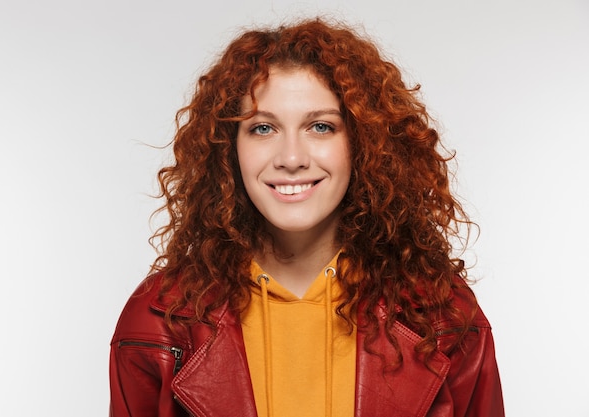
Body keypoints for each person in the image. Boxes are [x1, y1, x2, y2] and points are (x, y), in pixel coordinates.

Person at [109, 17, 504, 417]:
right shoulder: (158, 322)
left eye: (320, 126)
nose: (292, 159)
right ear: (229, 149)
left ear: (362, 143)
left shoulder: (443, 315)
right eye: (263, 128)